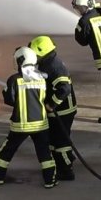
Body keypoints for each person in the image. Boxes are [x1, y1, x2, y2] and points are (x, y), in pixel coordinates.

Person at [0, 46, 57, 188]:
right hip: (40, 124)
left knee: (7, 151)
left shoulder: (14, 80)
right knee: (44, 153)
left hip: (20, 125)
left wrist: (5, 91)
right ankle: (50, 180)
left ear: (20, 61)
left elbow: (10, 101)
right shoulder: (41, 79)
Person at [29, 35, 78, 181]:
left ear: (41, 52)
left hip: (63, 111)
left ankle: (66, 170)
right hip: (59, 110)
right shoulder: (48, 62)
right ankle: (61, 162)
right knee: (54, 139)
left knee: (60, 141)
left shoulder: (52, 66)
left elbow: (65, 88)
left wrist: (51, 104)